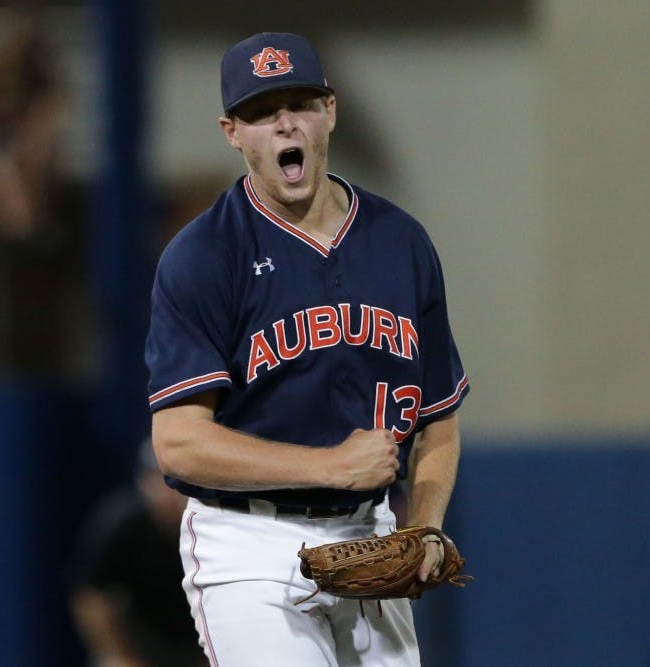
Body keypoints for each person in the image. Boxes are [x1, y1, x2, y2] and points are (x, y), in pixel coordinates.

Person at [144, 32, 469, 666]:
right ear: (231, 131)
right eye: (262, 112)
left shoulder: (400, 242)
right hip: (246, 539)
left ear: (330, 112)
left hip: (367, 529)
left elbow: (439, 421)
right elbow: (178, 441)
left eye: (299, 103)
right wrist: (328, 467)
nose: (284, 123)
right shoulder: (204, 256)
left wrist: (424, 524)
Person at [70, 439, 207, 667]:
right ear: (142, 483)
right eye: (158, 480)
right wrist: (120, 655)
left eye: (177, 482)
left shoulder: (211, 528)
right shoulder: (121, 525)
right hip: (140, 650)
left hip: (204, 648)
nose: (168, 492)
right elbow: (91, 599)